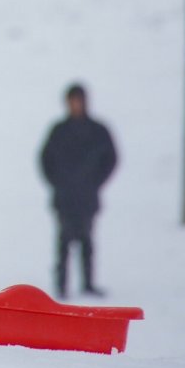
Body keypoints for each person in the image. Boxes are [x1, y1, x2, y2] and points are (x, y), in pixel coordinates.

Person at [39, 83, 118, 300]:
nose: (75, 104)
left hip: (87, 197)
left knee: (86, 240)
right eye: (72, 100)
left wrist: (94, 182)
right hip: (64, 198)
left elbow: (110, 159)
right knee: (63, 242)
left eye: (79, 100)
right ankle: (61, 285)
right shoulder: (59, 131)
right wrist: (58, 183)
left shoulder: (98, 131)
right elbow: (45, 161)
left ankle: (88, 284)